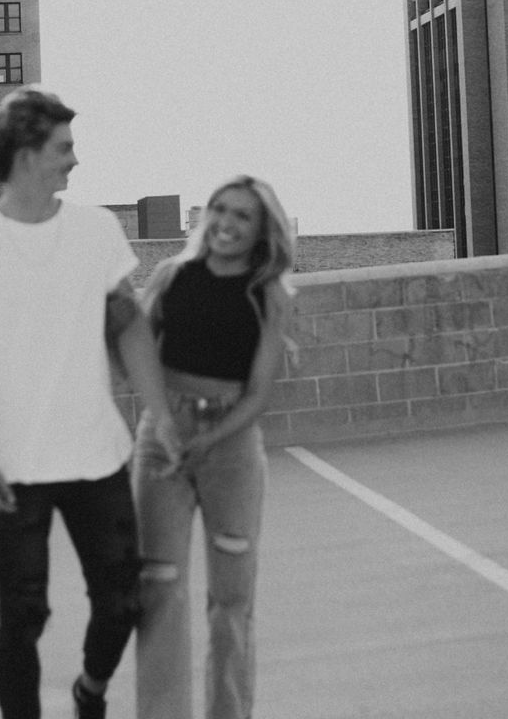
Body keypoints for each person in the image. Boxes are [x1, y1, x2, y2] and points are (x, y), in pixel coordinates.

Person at [0, 86, 180, 719]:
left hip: (97, 456)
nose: (74, 160)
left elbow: (127, 324)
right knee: (23, 612)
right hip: (16, 467)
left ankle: (89, 691)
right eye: (64, 147)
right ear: (27, 153)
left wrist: (161, 416)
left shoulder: (95, 230)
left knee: (123, 598)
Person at [132, 174, 298, 719]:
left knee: (231, 603)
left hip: (231, 447)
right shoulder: (171, 276)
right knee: (159, 591)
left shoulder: (269, 294)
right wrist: (164, 423)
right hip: (163, 443)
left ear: (261, 231)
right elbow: (137, 356)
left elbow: (258, 394)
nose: (227, 222)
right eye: (221, 210)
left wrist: (210, 439)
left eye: (243, 216)